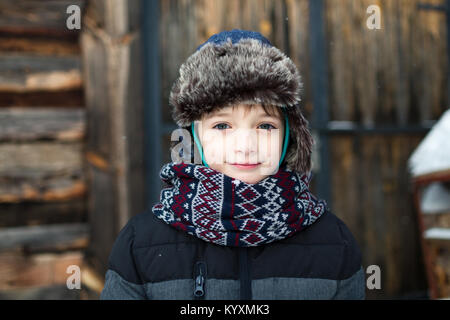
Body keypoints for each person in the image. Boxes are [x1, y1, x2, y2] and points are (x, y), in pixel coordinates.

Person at [100, 29, 365, 300]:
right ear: (195, 137)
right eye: (222, 125)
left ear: (288, 137)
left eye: (265, 125)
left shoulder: (333, 242)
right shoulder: (140, 244)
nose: (246, 145)